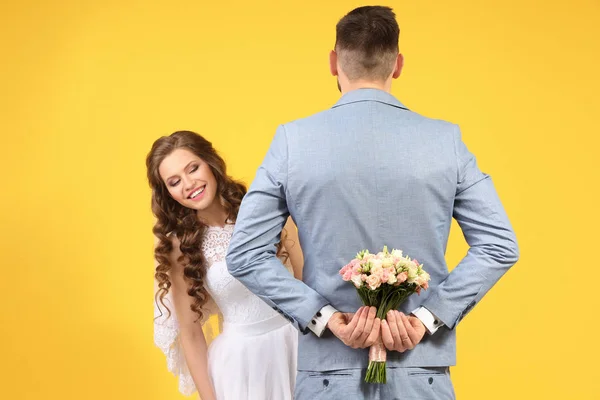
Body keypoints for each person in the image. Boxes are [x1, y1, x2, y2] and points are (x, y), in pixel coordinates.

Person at [226, 5, 519, 399]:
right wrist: (428, 319)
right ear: (397, 65)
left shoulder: (292, 142)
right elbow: (499, 245)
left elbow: (245, 253)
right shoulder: (445, 141)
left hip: (328, 372)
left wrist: (325, 317)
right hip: (421, 370)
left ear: (334, 62)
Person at [148, 130, 302, 399]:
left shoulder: (265, 209)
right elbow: (191, 332)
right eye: (174, 182)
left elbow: (308, 279)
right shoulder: (179, 247)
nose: (187, 184)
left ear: (211, 163)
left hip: (297, 345)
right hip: (242, 367)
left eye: (193, 168)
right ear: (168, 193)